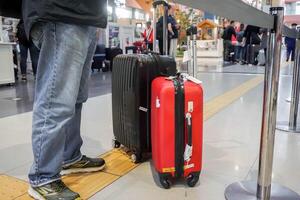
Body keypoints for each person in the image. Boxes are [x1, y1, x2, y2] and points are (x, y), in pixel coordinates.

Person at [22, 0, 107, 199]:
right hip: (60, 11)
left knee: (76, 97)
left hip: (86, 17)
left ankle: (70, 156)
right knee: (56, 100)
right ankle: (43, 176)